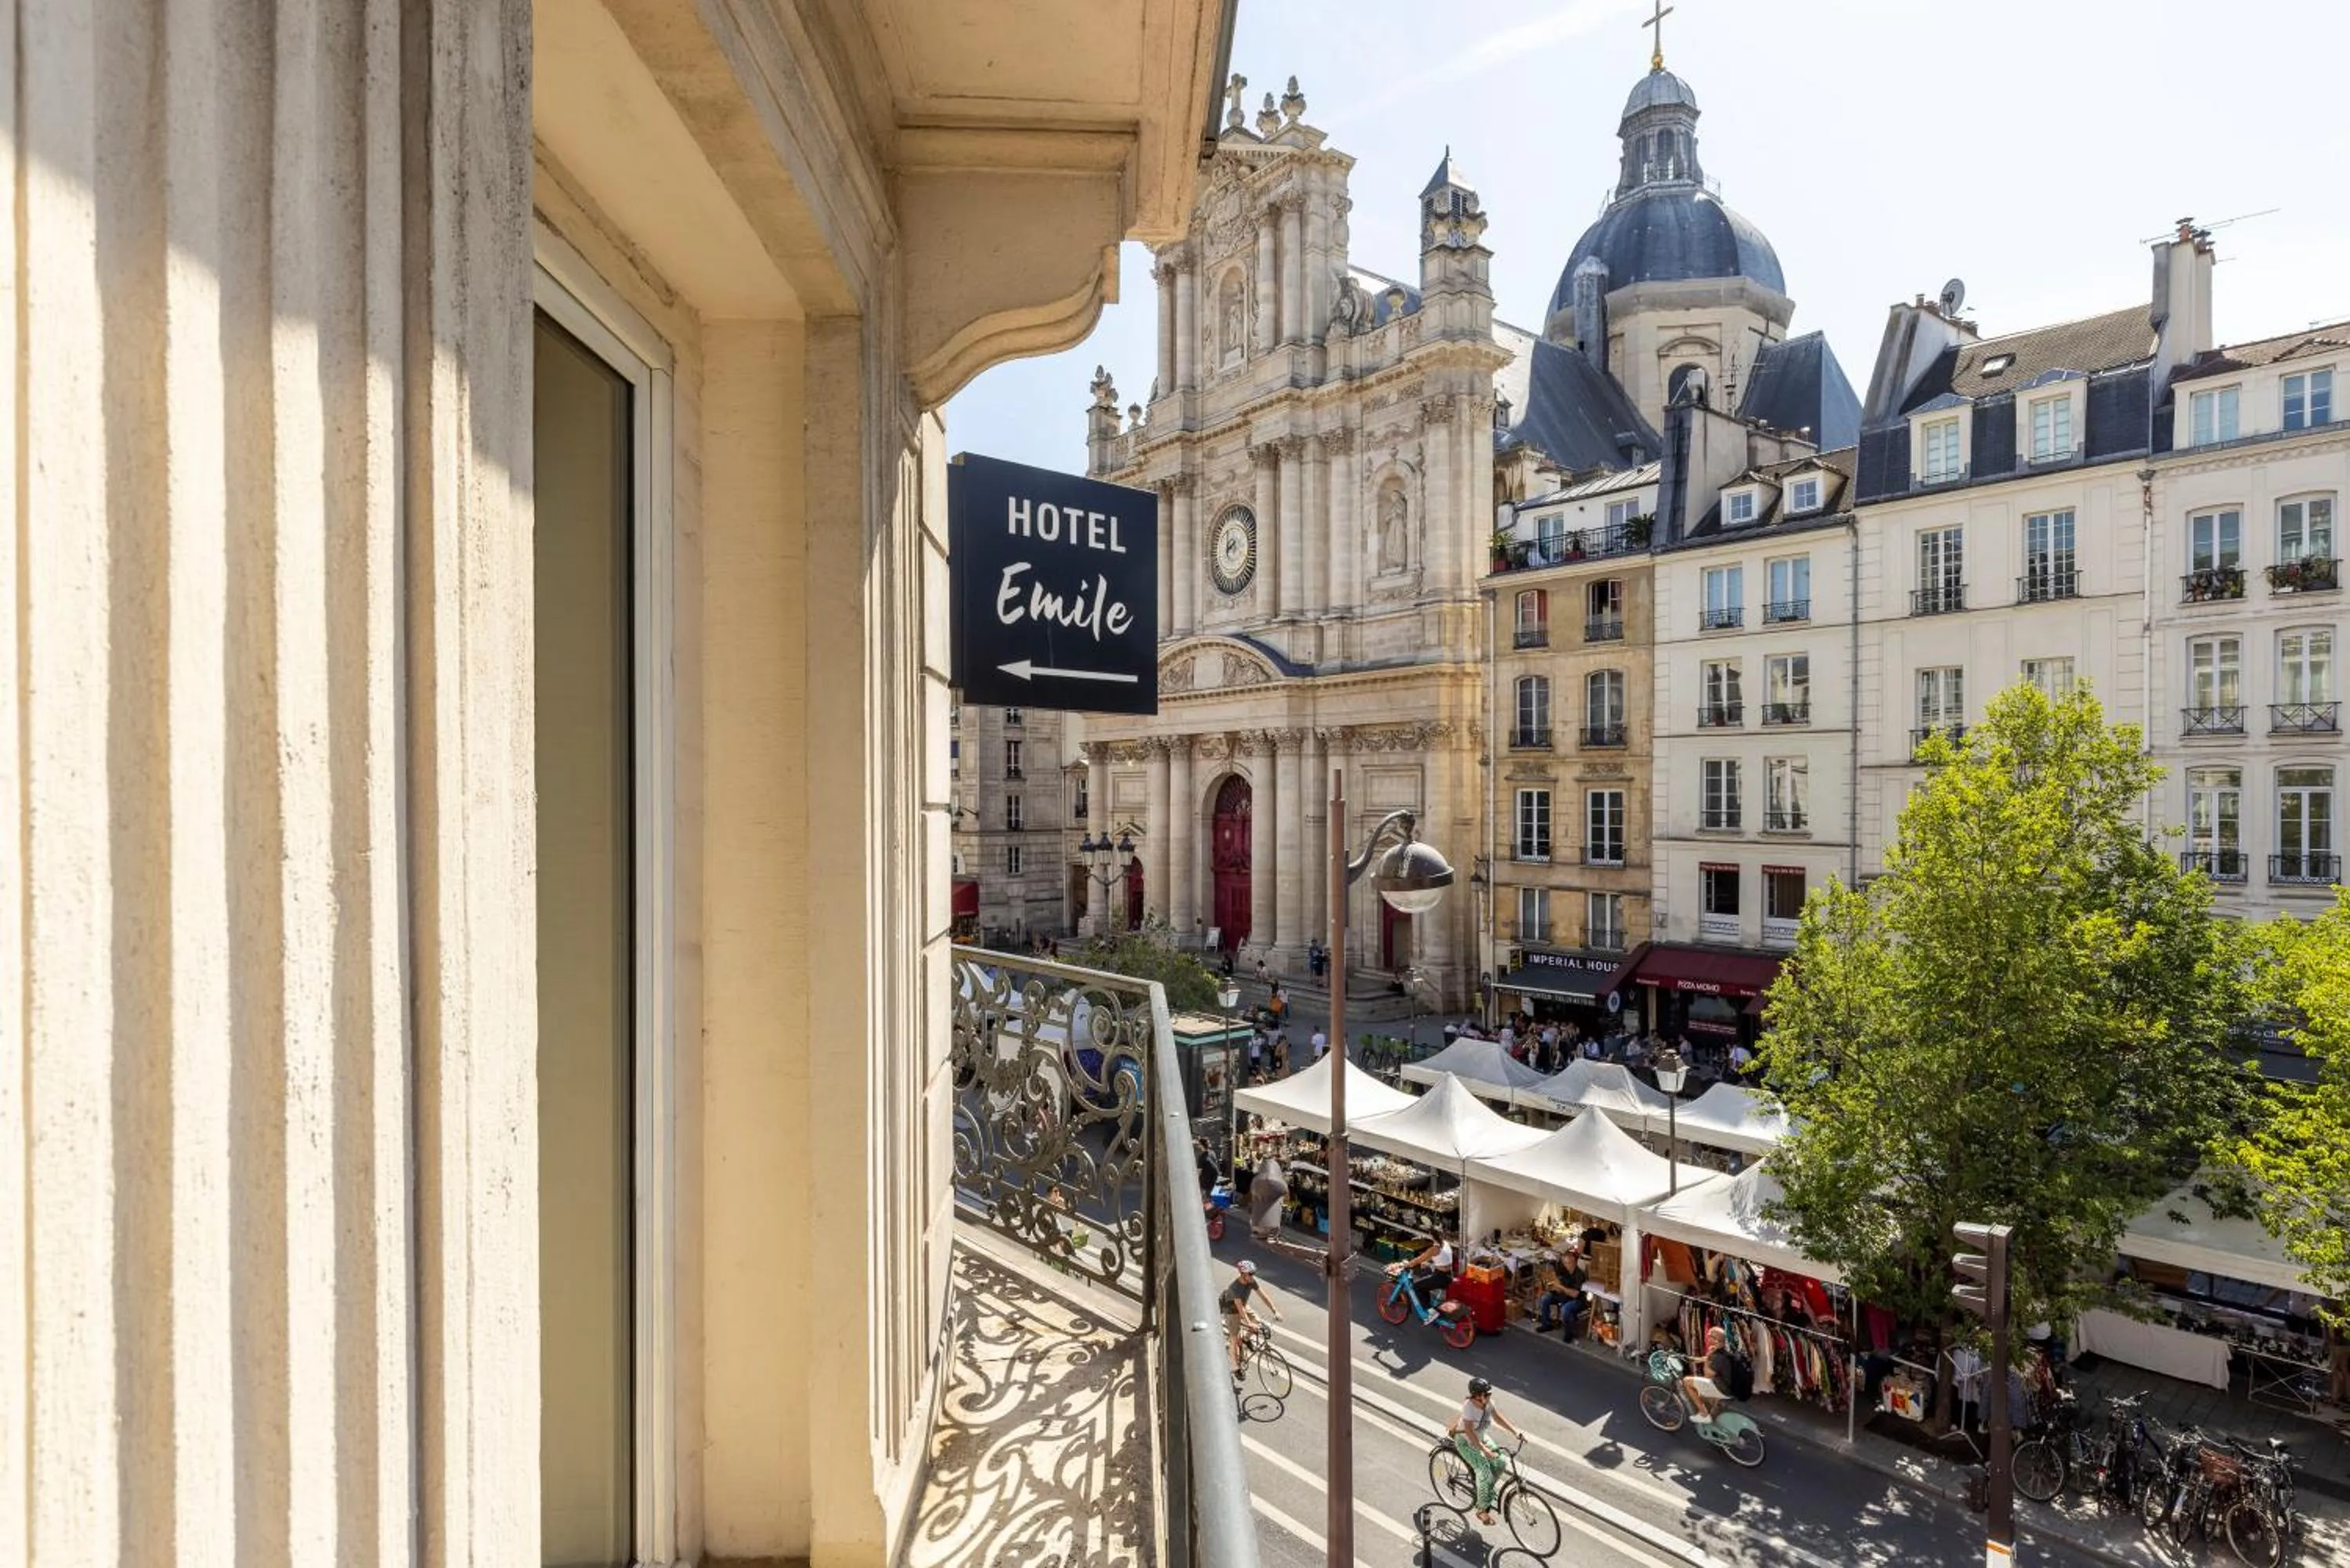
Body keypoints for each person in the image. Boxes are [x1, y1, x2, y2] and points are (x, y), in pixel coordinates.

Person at [1448, 1377, 1524, 1525]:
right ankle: (1481, 1510)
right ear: (1477, 1395)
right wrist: (1484, 1450)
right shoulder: (1469, 1407)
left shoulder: (1488, 1403)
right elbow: (1469, 1431)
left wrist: (1515, 1432)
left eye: (1489, 1394)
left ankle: (1485, 1490)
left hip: (1481, 1437)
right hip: (1466, 1441)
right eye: (1486, 1394)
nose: (1489, 1397)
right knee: (1484, 1470)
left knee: (1501, 1462)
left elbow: (1498, 1417)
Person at [1220, 1259, 1282, 1384]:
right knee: (1233, 1338)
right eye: (1250, 1274)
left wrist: (1275, 1310)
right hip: (1231, 1310)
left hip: (1242, 1305)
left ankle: (1246, 1339)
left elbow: (1263, 1296)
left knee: (1258, 1321)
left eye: (1253, 1273)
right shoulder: (1235, 1288)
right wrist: (1248, 1323)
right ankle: (1236, 1368)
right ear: (1243, 1274)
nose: (1252, 1276)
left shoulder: (1251, 1281)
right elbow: (1240, 1310)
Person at [1683, 1324, 1738, 1424]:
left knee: (1687, 1381)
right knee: (1698, 1384)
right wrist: (1690, 1359)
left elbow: (1708, 1375)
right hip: (1730, 1386)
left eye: (1710, 1336)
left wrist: (1707, 1359)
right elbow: (1706, 1359)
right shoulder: (1723, 1350)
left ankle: (1703, 1414)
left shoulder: (1718, 1356)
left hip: (1723, 1389)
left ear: (1716, 1340)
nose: (1707, 1337)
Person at [1532, 1248, 1589, 1339]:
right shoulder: (1563, 1269)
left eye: (1569, 1263)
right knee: (1545, 1298)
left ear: (1574, 1262)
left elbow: (1575, 1294)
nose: (1567, 1265)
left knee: (1565, 1309)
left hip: (1577, 1300)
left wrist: (1560, 1287)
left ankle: (1569, 1332)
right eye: (1565, 1263)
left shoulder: (1579, 1275)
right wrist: (1556, 1282)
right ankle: (1546, 1324)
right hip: (1563, 1295)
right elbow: (1555, 1274)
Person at [1394, 1233, 1456, 1305]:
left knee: (1417, 1287)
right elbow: (1440, 1257)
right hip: (1449, 1275)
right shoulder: (1446, 1244)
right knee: (1424, 1279)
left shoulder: (1435, 1249)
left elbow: (1420, 1259)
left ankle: (1427, 1311)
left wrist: (1406, 1265)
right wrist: (1427, 1262)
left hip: (1440, 1277)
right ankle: (1429, 1304)